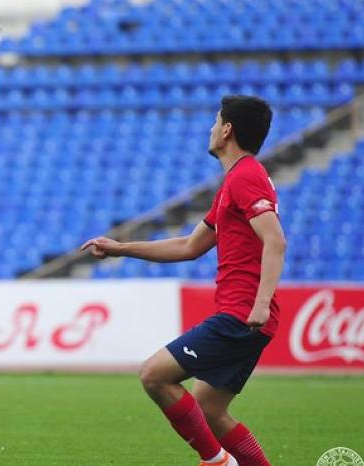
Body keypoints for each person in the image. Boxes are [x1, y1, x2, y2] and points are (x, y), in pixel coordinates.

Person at [82, 96, 282, 466]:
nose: (210, 128)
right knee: (209, 410)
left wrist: (260, 303)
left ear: (227, 130)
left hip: (242, 314)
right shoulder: (234, 182)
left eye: (215, 121)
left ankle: (216, 462)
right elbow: (190, 246)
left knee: (155, 375)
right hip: (245, 314)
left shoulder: (246, 177)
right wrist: (121, 248)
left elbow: (275, 240)